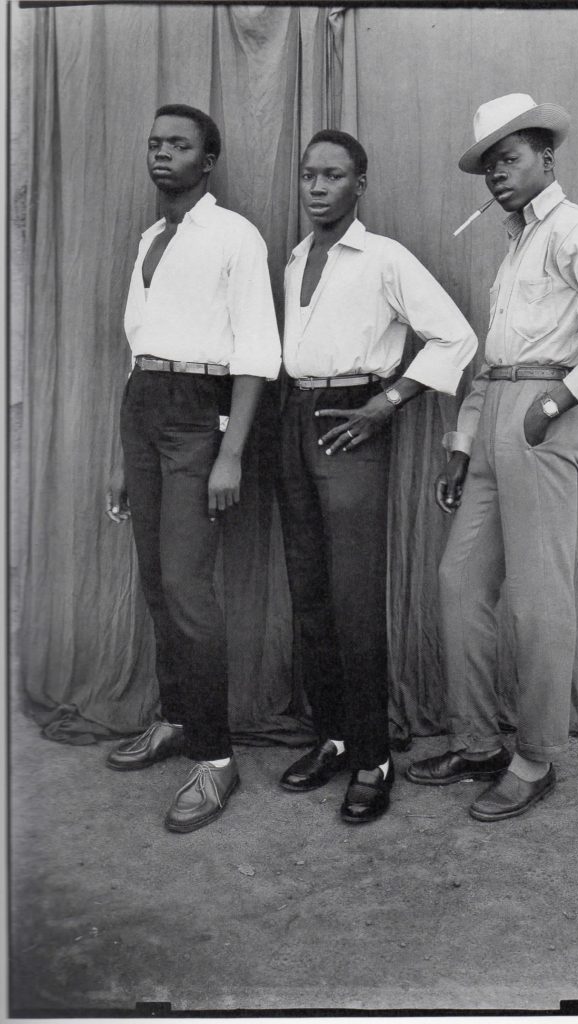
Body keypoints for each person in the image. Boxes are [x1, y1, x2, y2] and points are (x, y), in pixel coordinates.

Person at [406, 94, 578, 821]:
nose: (497, 175)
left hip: (546, 415)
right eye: (489, 166)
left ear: (547, 157)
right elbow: (495, 362)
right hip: (495, 415)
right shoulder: (515, 247)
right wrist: (461, 445)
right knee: (459, 580)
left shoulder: (577, 229)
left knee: (540, 594)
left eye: (509, 159)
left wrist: (557, 402)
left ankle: (535, 757)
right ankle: (477, 742)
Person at [277, 129, 478, 824]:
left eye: (333, 175)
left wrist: (387, 402)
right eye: (309, 174)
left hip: (352, 418)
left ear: (359, 184)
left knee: (354, 597)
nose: (317, 186)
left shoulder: (384, 256)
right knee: (309, 593)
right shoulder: (296, 258)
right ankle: (334, 737)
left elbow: (456, 335)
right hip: (293, 416)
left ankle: (373, 756)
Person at [105, 104, 281, 833]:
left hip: (199, 414)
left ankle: (215, 757)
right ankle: (177, 718)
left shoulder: (235, 235)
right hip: (144, 405)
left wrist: (229, 452)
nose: (162, 154)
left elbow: (257, 352)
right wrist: (125, 456)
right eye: (155, 143)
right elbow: (139, 348)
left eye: (178, 145)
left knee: (186, 586)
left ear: (207, 162)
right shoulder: (151, 237)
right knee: (155, 580)